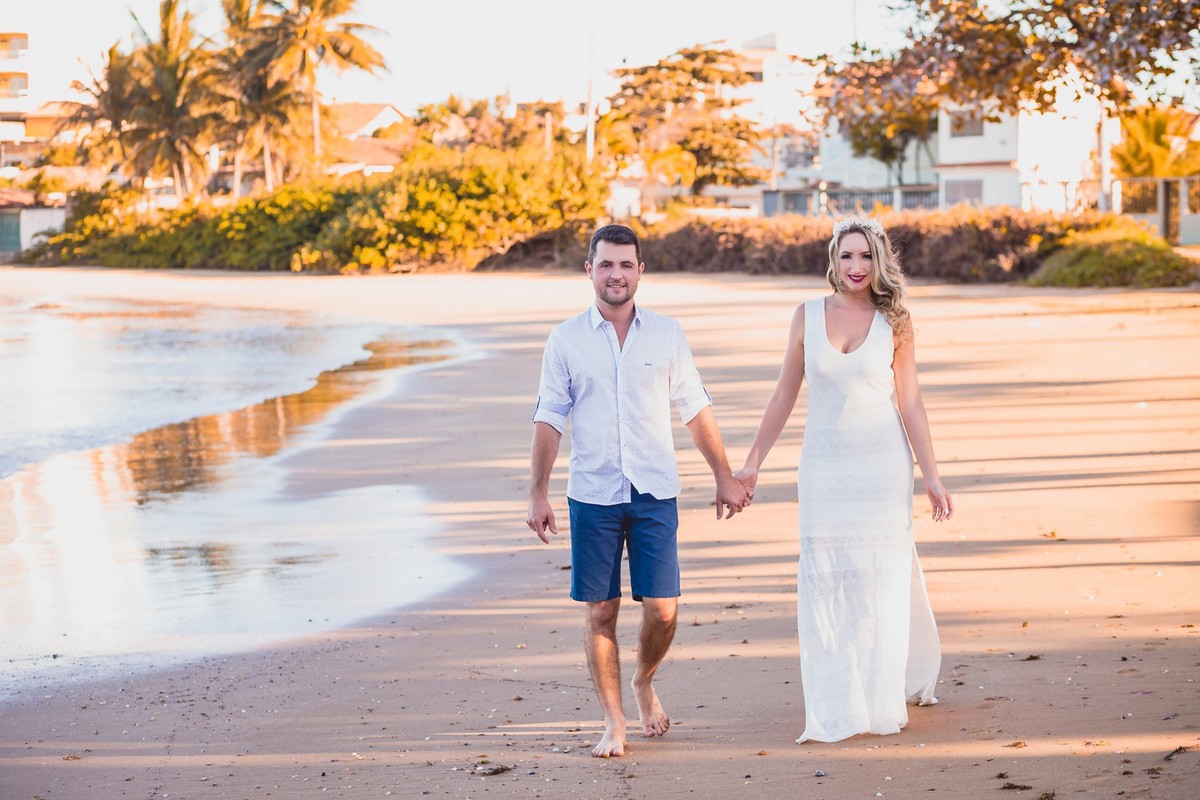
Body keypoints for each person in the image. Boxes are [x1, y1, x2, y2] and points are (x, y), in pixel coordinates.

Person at [526, 224, 750, 758]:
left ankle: (644, 679)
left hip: (653, 490)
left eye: (626, 264)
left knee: (665, 610)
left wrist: (724, 475)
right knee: (601, 612)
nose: (616, 274)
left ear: (640, 270)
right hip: (592, 493)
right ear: (589, 270)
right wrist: (538, 492)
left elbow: (694, 407)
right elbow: (549, 417)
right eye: (605, 264)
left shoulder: (667, 334)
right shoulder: (565, 339)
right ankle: (614, 721)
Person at [735, 217, 953, 744]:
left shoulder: (895, 321)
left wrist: (932, 476)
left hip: (882, 468)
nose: (856, 267)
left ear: (880, 261)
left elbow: (911, 403)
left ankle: (879, 699)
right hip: (823, 470)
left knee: (879, 578)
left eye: (866, 257)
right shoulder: (807, 316)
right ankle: (838, 702)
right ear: (833, 260)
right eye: (847, 256)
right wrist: (751, 463)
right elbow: (784, 394)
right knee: (828, 579)